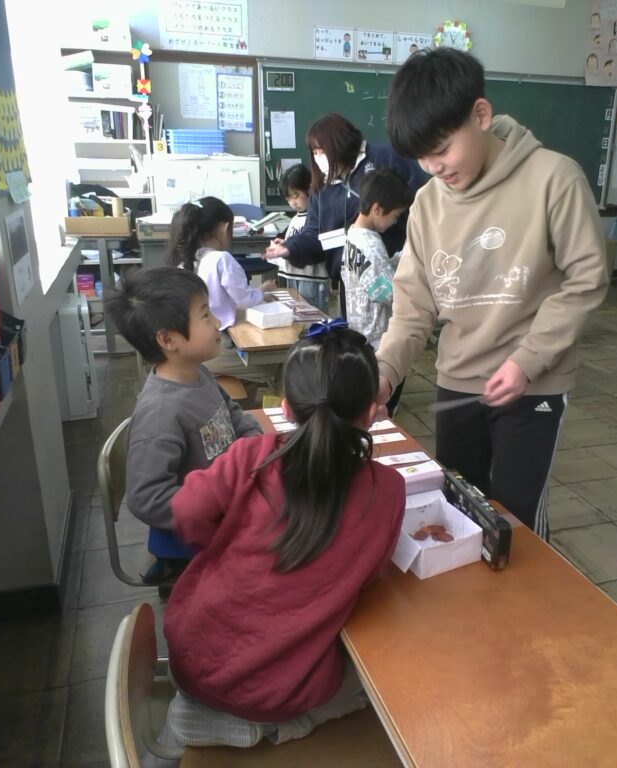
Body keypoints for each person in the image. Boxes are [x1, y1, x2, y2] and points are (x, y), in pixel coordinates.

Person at [377, 48, 609, 540]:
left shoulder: (554, 178)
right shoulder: (426, 204)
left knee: (518, 523)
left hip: (533, 384)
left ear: (480, 115)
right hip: (458, 381)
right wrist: (383, 373)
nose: (433, 167)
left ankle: (533, 592)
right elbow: (413, 307)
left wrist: (528, 360)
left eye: (442, 149)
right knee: (460, 509)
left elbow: (586, 279)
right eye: (421, 157)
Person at [158, 325, 406, 748]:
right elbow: (369, 578)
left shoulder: (252, 455)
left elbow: (184, 511)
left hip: (189, 655)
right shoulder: (386, 489)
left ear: (286, 407)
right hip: (276, 693)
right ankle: (274, 728)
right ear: (372, 412)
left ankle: (204, 707)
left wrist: (222, 548)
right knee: (374, 682)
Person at [104, 268, 262, 583]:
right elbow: (146, 498)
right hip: (194, 544)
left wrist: (254, 449)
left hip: (228, 504)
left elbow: (232, 413)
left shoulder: (197, 372)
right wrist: (217, 499)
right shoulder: (160, 413)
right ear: (168, 339)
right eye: (205, 315)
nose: (217, 321)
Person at [262, 113, 426, 311]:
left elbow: (421, 203)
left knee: (393, 314)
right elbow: (314, 234)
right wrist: (290, 247)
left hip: (396, 271)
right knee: (359, 325)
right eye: (314, 152)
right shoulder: (322, 186)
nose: (319, 158)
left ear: (339, 144)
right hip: (349, 282)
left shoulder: (385, 159)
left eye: (322, 151)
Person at [167, 196, 278, 385]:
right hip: (213, 350)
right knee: (276, 364)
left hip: (189, 348)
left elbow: (228, 299)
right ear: (225, 228)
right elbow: (244, 300)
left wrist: (258, 293)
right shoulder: (221, 259)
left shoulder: (183, 261)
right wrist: (262, 291)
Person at [342, 168, 414, 415]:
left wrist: (400, 258)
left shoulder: (354, 235)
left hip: (360, 331)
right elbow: (385, 292)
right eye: (396, 215)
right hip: (377, 338)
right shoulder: (371, 244)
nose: (395, 221)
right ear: (377, 209)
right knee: (381, 405)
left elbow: (372, 275)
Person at [270, 164, 330, 312]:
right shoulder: (295, 219)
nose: (292, 203)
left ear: (309, 189)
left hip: (312, 278)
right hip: (292, 276)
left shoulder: (316, 217)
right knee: (295, 314)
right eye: (288, 199)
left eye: (295, 196)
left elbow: (317, 247)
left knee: (313, 315)